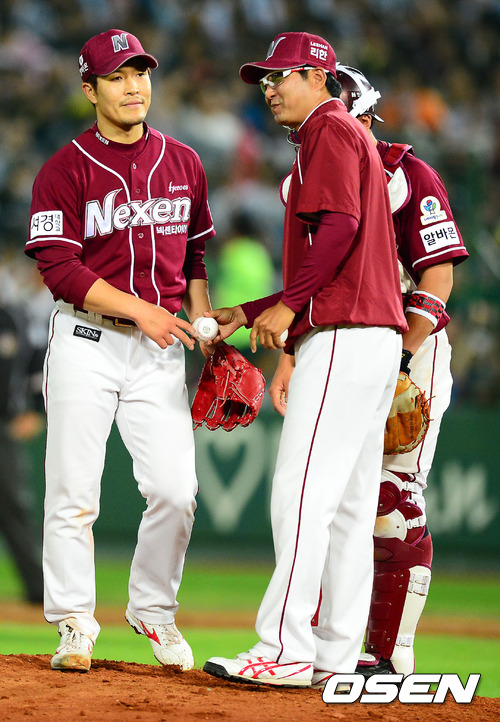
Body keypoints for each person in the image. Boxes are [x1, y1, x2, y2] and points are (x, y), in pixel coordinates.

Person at [202, 31, 408, 688]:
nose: (269, 88)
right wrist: (253, 308)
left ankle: (284, 649)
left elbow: (340, 228)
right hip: (374, 334)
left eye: (281, 75)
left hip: (344, 331)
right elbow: (343, 243)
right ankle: (333, 655)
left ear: (319, 77)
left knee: (300, 494)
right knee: (347, 507)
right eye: (264, 79)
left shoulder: (327, 127)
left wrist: (289, 307)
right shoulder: (347, 135)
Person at [25, 29, 216, 672]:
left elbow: (195, 255)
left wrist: (202, 322)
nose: (134, 86)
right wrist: (141, 310)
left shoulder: (185, 162)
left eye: (140, 73)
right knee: (73, 492)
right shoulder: (64, 169)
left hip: (160, 350)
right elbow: (58, 267)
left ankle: (152, 609)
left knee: (176, 491)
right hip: (86, 340)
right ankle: (74, 622)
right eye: (117, 76)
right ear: (90, 89)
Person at [332, 64, 469, 677]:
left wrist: (404, 359)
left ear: (363, 117)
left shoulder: (409, 175)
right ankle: (323, 644)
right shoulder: (306, 177)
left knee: (392, 500)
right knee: (329, 501)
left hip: (407, 348)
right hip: (339, 348)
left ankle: (390, 657)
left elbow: (437, 276)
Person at [0, 288, 44, 605]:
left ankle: (39, 590)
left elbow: (37, 363)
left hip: (3, 425)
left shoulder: (13, 316)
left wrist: (37, 410)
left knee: (15, 507)